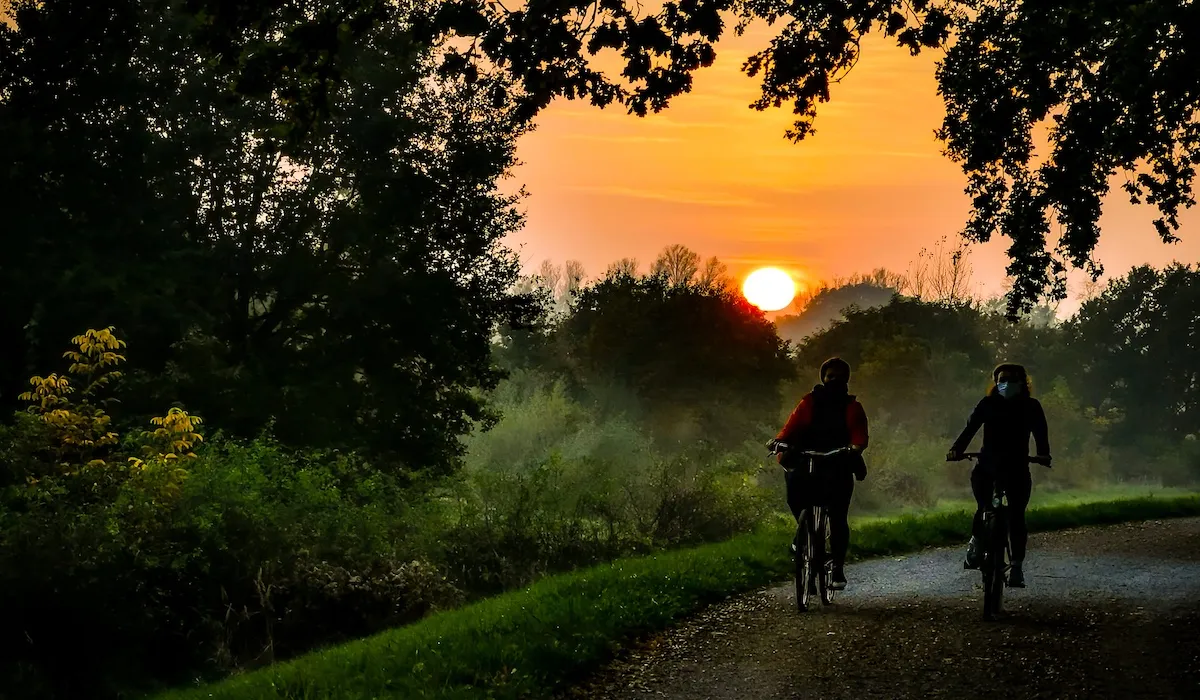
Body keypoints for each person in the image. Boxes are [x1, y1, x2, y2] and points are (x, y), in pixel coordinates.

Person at [946, 363, 1052, 588]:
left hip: (1016, 468)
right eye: (1004, 379)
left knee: (1016, 517)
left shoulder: (1031, 407)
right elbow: (970, 428)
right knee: (983, 506)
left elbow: (1041, 433)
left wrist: (1044, 453)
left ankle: (1016, 567)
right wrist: (956, 449)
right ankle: (976, 542)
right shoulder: (987, 404)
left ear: (1023, 383)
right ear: (996, 382)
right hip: (989, 467)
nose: (1008, 383)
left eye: (1013, 379)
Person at [768, 357, 868, 590]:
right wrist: (779, 442)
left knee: (838, 516)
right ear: (822, 378)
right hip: (806, 460)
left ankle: (838, 570)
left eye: (839, 376)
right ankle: (803, 536)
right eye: (830, 376)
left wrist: (854, 448)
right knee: (794, 493)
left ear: (847, 380)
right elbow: (789, 428)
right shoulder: (808, 403)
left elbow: (859, 436)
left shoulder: (853, 407)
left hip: (838, 463)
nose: (834, 380)